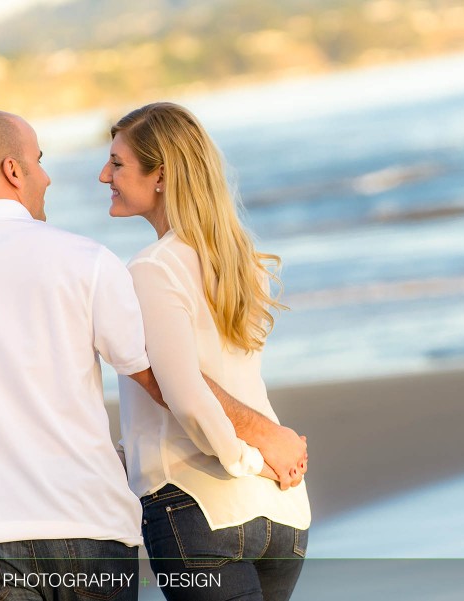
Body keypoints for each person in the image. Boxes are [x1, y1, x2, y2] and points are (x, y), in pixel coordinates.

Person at [0, 110, 166, 600]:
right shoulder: (86, 260)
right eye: (38, 160)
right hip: (92, 528)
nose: (46, 175)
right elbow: (154, 379)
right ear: (12, 170)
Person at [100, 102, 311, 601]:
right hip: (284, 512)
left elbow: (186, 393)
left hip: (199, 505)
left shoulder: (151, 269)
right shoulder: (239, 260)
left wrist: (248, 460)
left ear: (161, 176)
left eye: (117, 163)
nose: (103, 174)